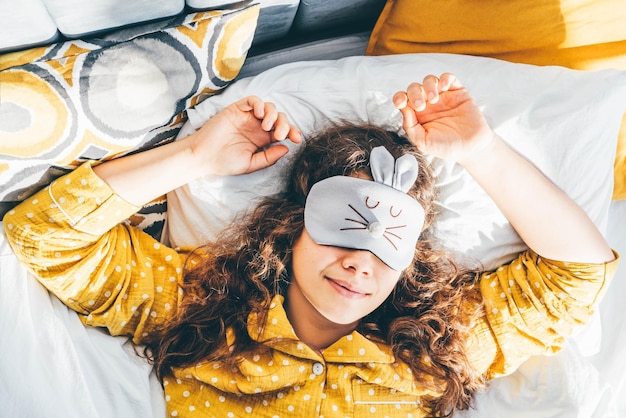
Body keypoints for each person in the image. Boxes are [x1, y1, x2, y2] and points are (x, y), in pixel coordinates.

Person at [4, 73, 617, 418]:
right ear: (291, 226)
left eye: (389, 242)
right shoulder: (195, 309)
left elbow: (577, 272)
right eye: (342, 226)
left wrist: (482, 152)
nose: (359, 259)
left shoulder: (443, 344)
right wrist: (192, 157)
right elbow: (43, 235)